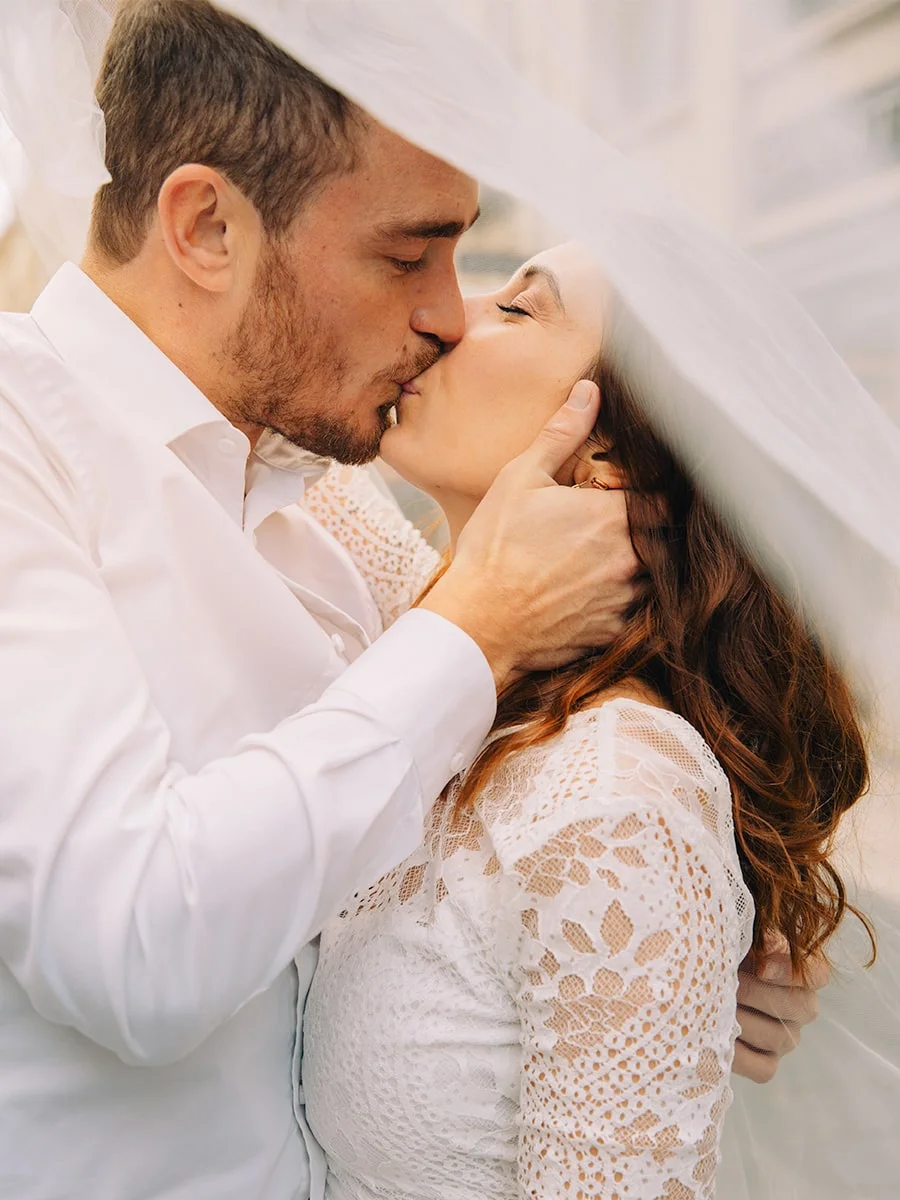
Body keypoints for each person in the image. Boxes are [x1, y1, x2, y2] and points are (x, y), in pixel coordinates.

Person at [0, 4, 826, 1199]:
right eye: (406, 255)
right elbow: (133, 947)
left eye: (474, 262)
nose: (446, 312)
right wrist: (471, 636)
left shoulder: (320, 513)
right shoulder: (25, 443)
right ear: (205, 227)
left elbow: (547, 820)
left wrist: (682, 952)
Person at [300, 243, 872, 1199]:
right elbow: (226, 393)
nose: (448, 314)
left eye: (521, 310)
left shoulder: (618, 798)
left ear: (602, 454)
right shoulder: (445, 648)